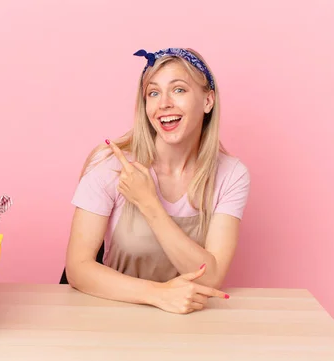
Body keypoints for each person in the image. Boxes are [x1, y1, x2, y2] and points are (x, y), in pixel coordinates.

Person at [64, 47, 251, 315]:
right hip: (115, 313)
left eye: (178, 90)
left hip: (190, 320)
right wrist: (159, 294)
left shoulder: (231, 175)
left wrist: (149, 204)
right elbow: (78, 268)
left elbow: (211, 276)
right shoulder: (110, 166)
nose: (164, 103)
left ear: (208, 101)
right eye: (153, 93)